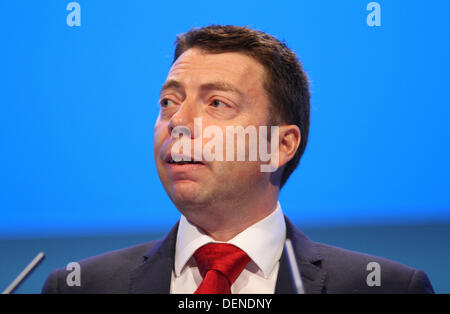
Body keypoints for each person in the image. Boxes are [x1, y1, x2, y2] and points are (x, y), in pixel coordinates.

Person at [42, 25, 434, 294]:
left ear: (280, 146)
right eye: (168, 102)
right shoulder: (81, 286)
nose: (178, 122)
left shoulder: (385, 287)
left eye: (217, 103)